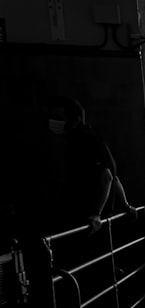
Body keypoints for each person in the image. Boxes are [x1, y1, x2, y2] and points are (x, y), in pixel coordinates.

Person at [42, 96, 137, 234]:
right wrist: (126, 206)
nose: (55, 121)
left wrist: (96, 214)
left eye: (60, 117)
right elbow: (114, 177)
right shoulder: (96, 138)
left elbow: (107, 177)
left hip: (89, 224)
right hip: (101, 223)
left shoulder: (82, 142)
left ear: (75, 119)